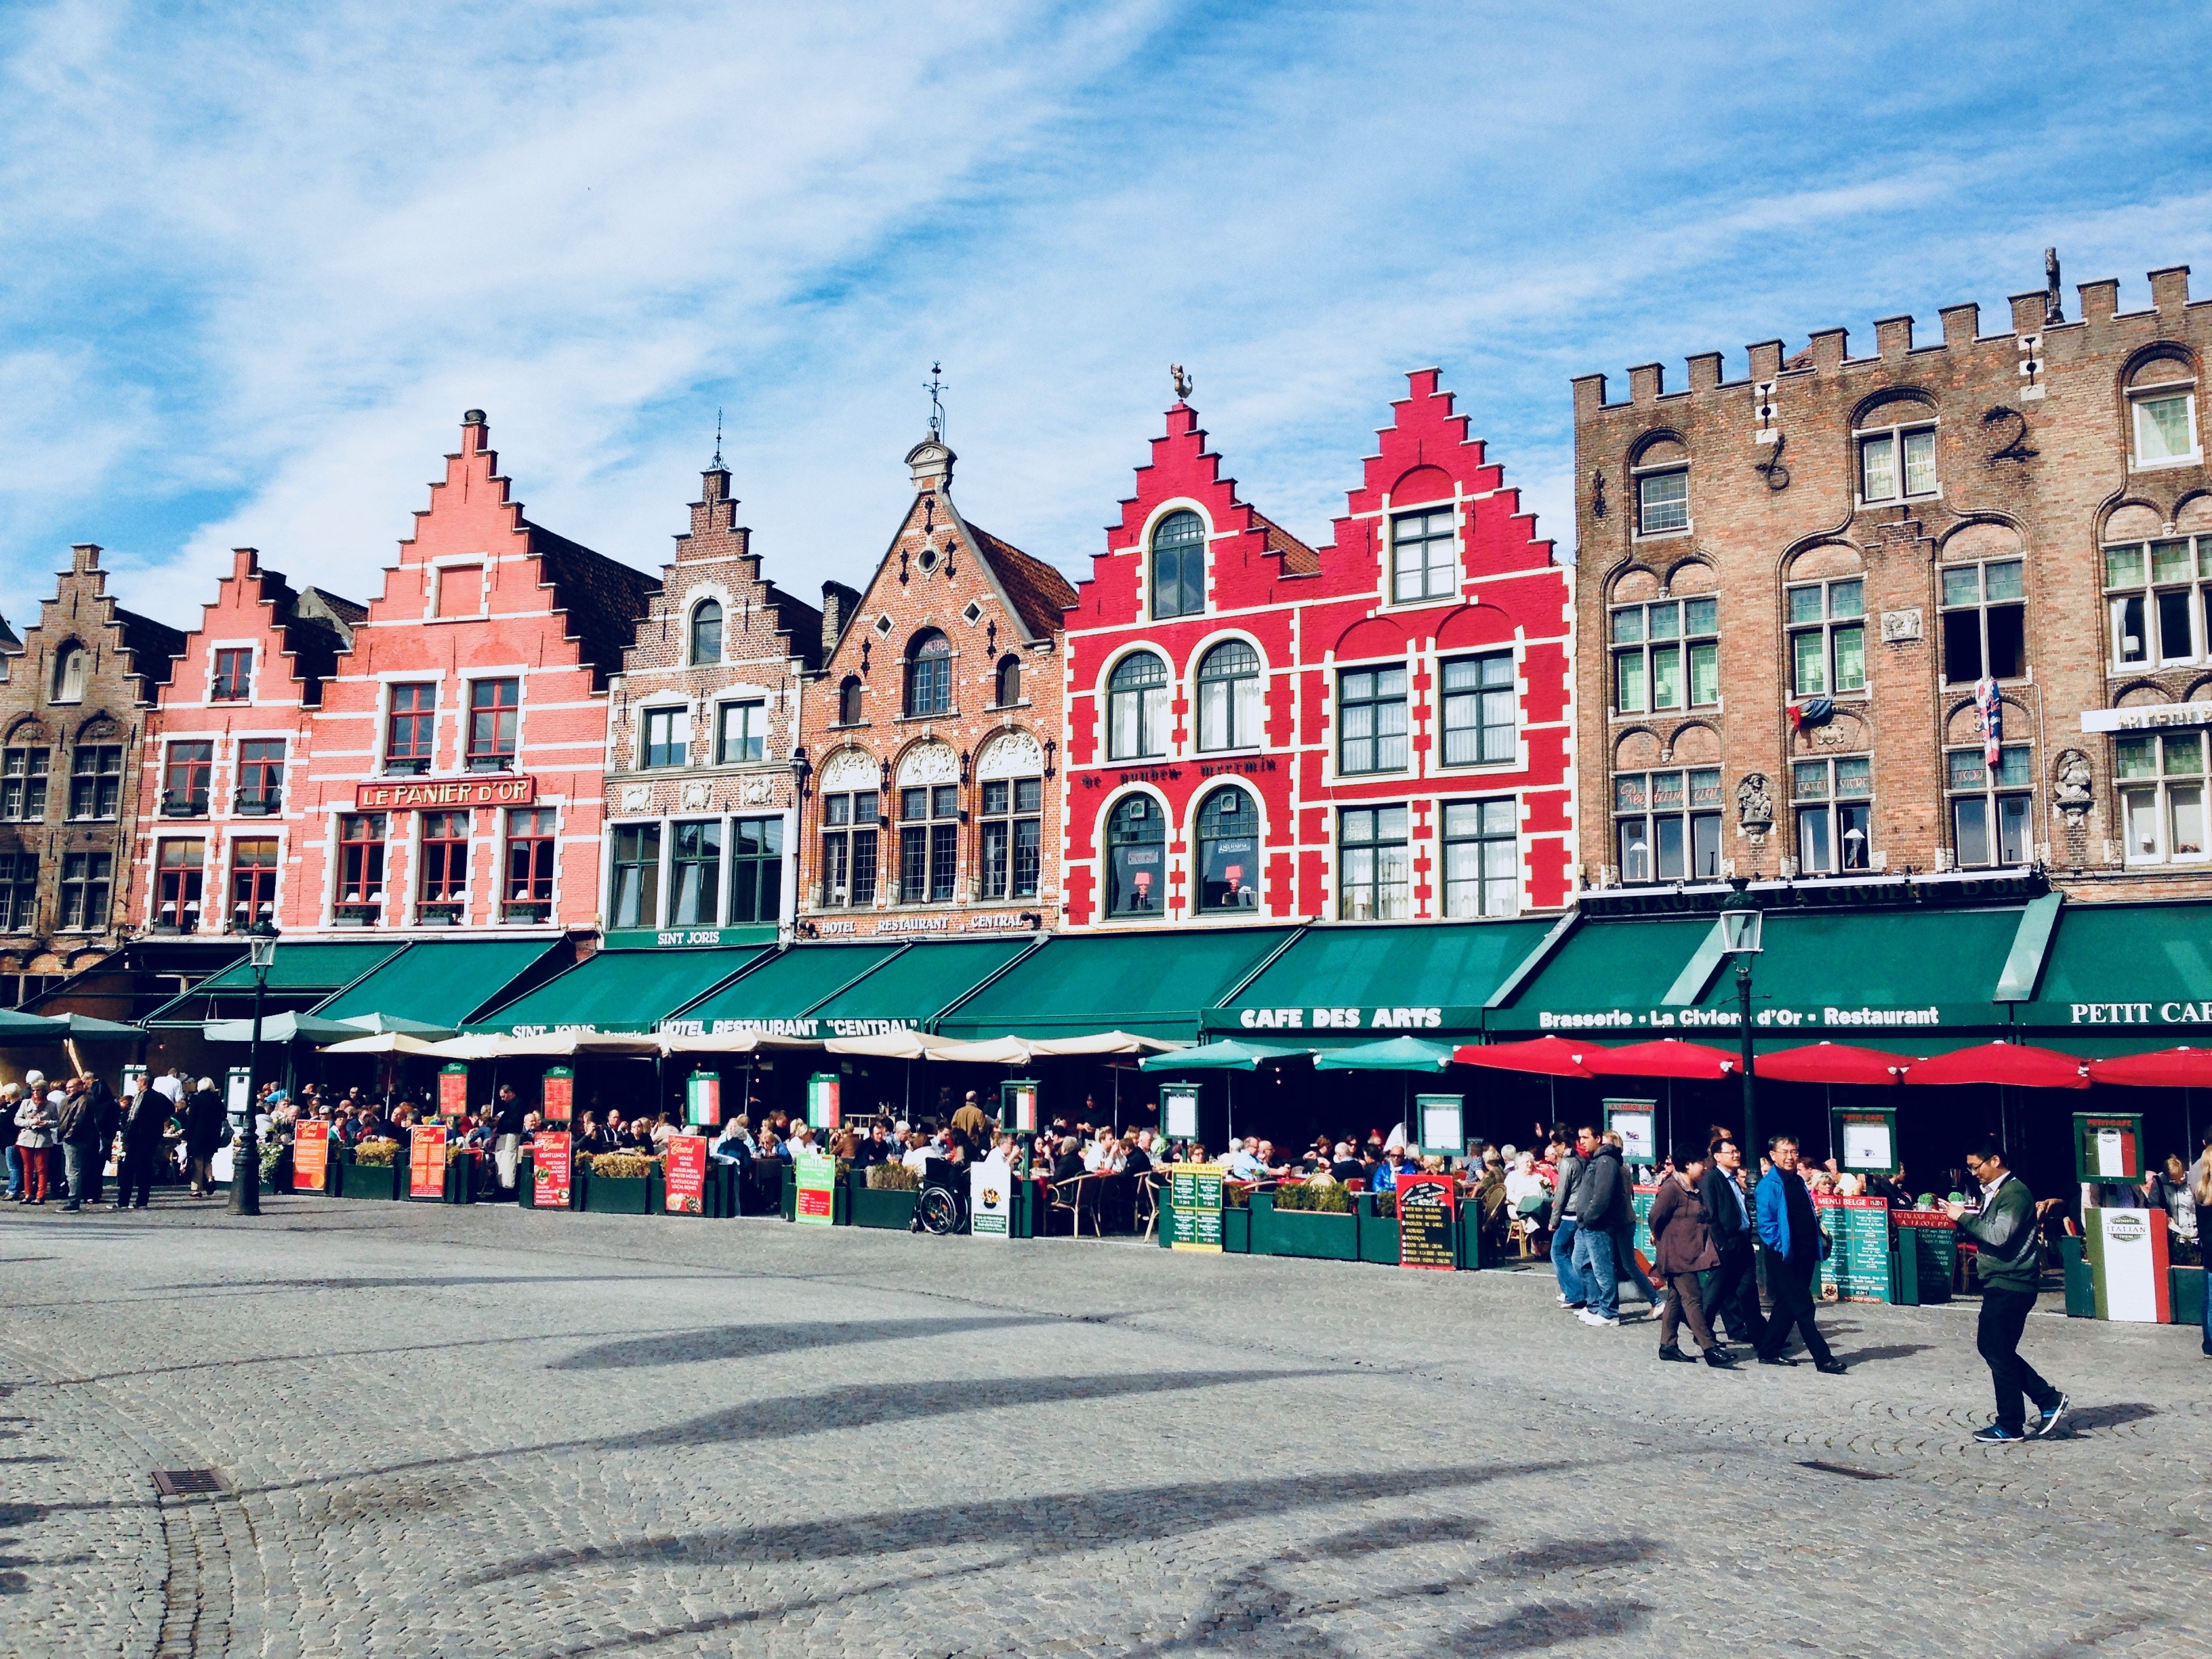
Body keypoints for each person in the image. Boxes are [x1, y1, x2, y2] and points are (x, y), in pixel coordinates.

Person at [1944, 1141, 2068, 1441]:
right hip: (2000, 1281)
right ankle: (2047, 1400)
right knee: (1993, 1347)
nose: (1974, 1173)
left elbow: (1998, 1236)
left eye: (1976, 1166)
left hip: (2013, 1282)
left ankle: (2014, 1422)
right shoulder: (1997, 1192)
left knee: (1996, 1349)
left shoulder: (2014, 1193)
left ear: (1995, 1160)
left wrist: (1962, 1217)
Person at [1754, 1136, 1846, 1372]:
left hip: (1805, 1252)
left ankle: (1768, 1350)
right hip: (1785, 1256)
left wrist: (1813, 1215)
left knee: (1787, 1304)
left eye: (1794, 1152)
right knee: (1804, 1307)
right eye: (1784, 1152)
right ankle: (1823, 1358)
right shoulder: (1769, 1185)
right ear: (1773, 1155)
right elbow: (1766, 1225)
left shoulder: (1798, 1180)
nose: (1790, 1157)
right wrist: (1781, 1246)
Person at [1647, 1147, 1734, 1367]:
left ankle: (1668, 1345)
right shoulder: (1671, 1189)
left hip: (1690, 1252)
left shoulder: (1695, 1188)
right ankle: (1709, 1348)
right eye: (1700, 1163)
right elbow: (1655, 1216)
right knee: (1693, 1298)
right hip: (1676, 1254)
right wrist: (1656, 1234)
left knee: (1675, 1299)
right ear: (1687, 1165)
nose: (1704, 1167)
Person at [1698, 1136, 1767, 1351]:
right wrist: (1722, 1243)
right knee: (1716, 1290)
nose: (1737, 1155)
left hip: (1742, 1240)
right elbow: (1711, 1214)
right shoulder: (1712, 1179)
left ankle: (1758, 1334)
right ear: (1718, 1156)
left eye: (1737, 1151)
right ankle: (1703, 1332)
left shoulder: (1733, 1180)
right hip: (1726, 1243)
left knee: (1746, 1289)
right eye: (1731, 1152)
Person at [1572, 1128, 1632, 1328]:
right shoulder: (1596, 1160)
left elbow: (1602, 1196)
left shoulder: (1606, 1161)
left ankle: (1609, 1312)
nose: (1582, 1142)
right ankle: (1595, 1305)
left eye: (1585, 1138)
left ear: (1597, 1139)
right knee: (1583, 1263)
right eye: (1580, 1138)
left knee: (1603, 1269)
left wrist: (1590, 1218)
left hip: (1599, 1224)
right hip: (1587, 1224)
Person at [1551, 1125, 1593, 1310]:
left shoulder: (1567, 1162)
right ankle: (1573, 1290)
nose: (1554, 1150)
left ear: (1562, 1145)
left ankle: (1575, 1292)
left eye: (1555, 1146)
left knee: (1558, 1251)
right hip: (1581, 1210)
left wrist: (1554, 1219)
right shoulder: (1581, 1158)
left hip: (1570, 1213)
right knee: (1569, 1251)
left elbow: (1561, 1193)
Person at [119, 1074, 169, 1208]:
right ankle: (141, 1200)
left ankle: (124, 1200)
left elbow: (137, 1118)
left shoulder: (145, 1097)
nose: (137, 1083)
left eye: (138, 1080)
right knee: (144, 1168)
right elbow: (170, 1108)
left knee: (130, 1168)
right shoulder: (158, 1096)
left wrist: (152, 1121)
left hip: (140, 1136)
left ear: (144, 1082)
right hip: (150, 1136)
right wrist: (159, 1120)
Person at [56, 1076, 104, 1211]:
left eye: (71, 1087)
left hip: (76, 1139)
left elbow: (78, 1121)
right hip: (76, 1138)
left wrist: (67, 1136)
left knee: (73, 1171)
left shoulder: (84, 1099)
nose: (68, 1090)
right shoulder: (72, 1099)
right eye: (67, 1088)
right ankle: (75, 1198)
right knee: (74, 1170)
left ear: (80, 1087)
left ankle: (73, 1201)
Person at [183, 1077, 226, 1197]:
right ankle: (210, 1178)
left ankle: (196, 1189)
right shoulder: (217, 1100)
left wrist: (186, 1136)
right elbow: (224, 1114)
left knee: (198, 1162)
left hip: (198, 1135)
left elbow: (191, 1120)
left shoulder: (197, 1100)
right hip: (213, 1135)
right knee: (208, 1160)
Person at [14, 1077, 54, 1204]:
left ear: (44, 1091)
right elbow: (17, 1120)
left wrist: (47, 1123)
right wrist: (31, 1122)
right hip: (27, 1138)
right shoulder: (26, 1103)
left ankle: (40, 1195)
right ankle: (27, 1194)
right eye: (33, 1090)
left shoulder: (51, 1105)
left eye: (38, 1090)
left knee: (42, 1168)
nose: (35, 1093)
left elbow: (57, 1122)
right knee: (28, 1168)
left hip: (43, 1139)